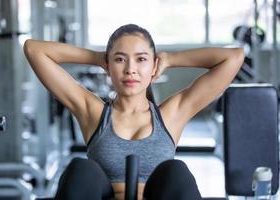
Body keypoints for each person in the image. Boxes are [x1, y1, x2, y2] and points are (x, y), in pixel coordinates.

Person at [24, 24, 244, 200]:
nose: (130, 69)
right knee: (81, 169)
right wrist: (97, 57)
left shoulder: (171, 114)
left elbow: (233, 57)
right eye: (120, 59)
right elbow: (34, 49)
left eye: (141, 59)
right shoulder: (92, 111)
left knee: (176, 171)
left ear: (153, 66)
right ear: (109, 66)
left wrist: (171, 59)